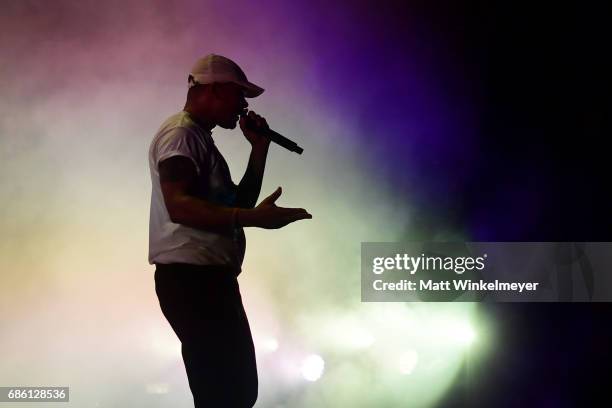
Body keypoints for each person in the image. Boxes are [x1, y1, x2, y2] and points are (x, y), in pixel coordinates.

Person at [148, 54, 312, 408]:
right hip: (193, 279)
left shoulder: (198, 138)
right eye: (239, 95)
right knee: (226, 393)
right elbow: (179, 204)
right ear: (215, 89)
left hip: (206, 279)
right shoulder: (181, 134)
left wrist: (259, 149)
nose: (244, 106)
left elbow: (237, 205)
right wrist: (253, 218)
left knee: (233, 392)